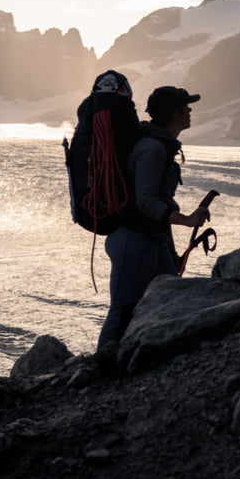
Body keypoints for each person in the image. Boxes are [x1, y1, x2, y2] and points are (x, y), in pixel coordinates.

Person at [97, 86, 210, 352]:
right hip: (133, 241)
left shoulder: (160, 146)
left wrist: (170, 249)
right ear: (175, 112)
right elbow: (146, 201)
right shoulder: (153, 148)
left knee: (171, 301)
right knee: (122, 313)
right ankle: (95, 377)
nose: (190, 110)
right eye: (186, 105)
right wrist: (186, 220)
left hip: (150, 241)